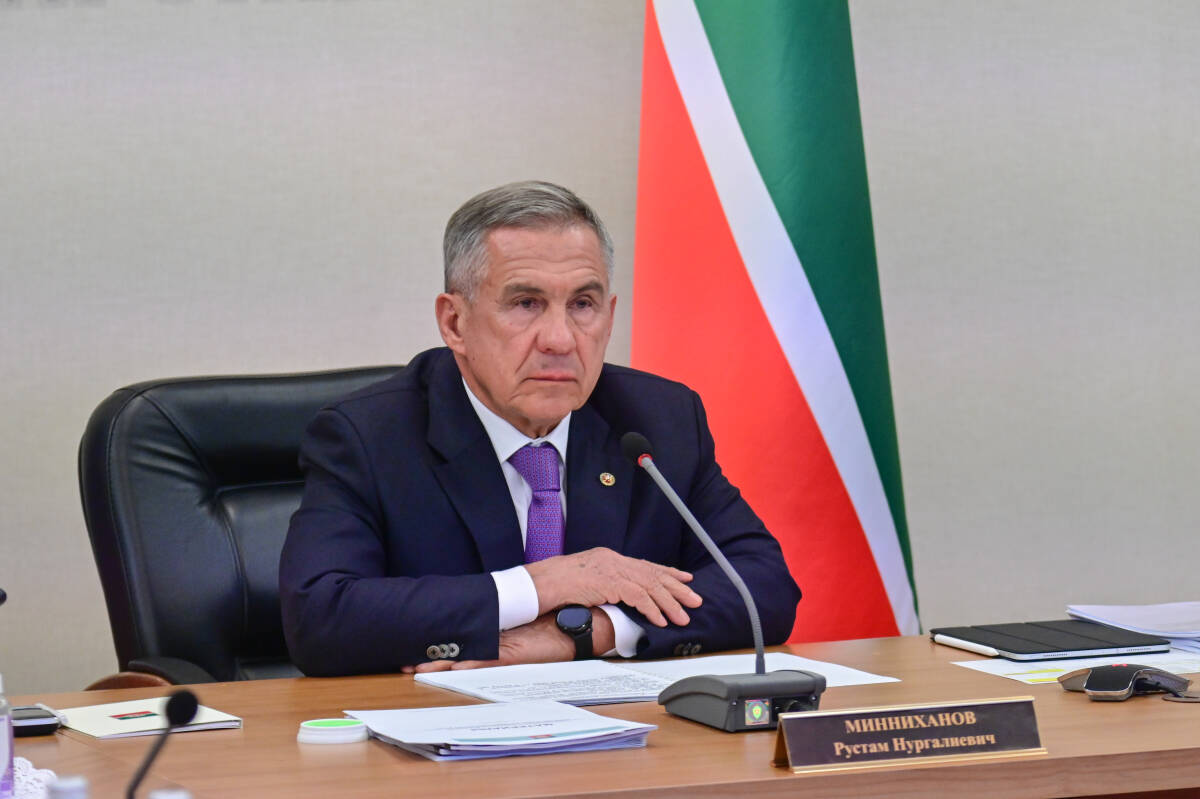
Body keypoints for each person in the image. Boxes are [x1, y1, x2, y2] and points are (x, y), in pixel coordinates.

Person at [279, 180, 800, 676]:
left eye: (582, 305)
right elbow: (320, 617)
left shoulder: (658, 420)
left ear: (609, 317)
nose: (560, 339)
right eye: (526, 304)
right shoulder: (370, 435)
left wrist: (586, 633)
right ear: (454, 323)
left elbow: (764, 587)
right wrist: (544, 584)